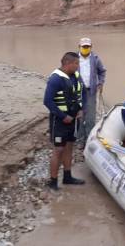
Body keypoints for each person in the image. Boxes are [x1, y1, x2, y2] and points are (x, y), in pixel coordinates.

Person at [43, 52, 86, 190]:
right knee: (58, 149)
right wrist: (63, 116)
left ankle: (67, 177)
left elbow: (83, 93)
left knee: (69, 146)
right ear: (68, 63)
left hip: (74, 120)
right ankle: (53, 181)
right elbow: (47, 101)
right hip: (60, 121)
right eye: (76, 64)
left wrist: (81, 109)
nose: (78, 66)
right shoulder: (55, 79)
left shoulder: (76, 76)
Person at [77, 37, 106, 144]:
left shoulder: (96, 59)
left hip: (91, 92)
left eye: (87, 46)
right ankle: (80, 140)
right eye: (83, 46)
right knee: (79, 116)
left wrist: (101, 83)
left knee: (90, 117)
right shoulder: (74, 59)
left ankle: (89, 139)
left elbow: (102, 71)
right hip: (77, 93)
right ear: (79, 47)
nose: (85, 48)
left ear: (91, 47)